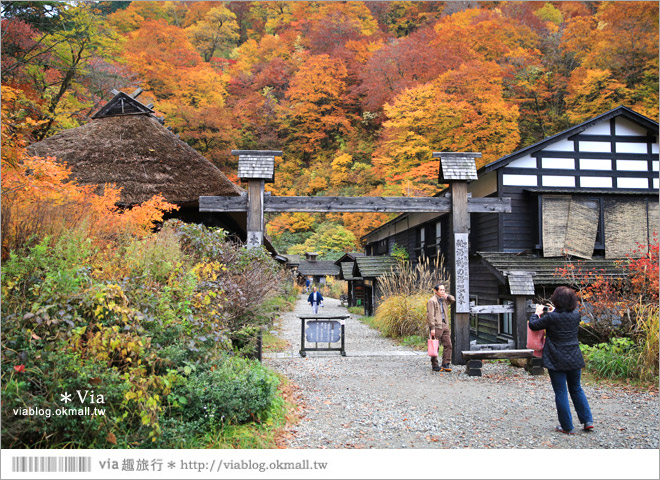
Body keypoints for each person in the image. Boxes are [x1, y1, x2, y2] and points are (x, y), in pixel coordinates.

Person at [529, 286, 594, 434]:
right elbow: (563, 318)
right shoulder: (576, 315)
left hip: (556, 358)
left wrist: (537, 313)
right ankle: (587, 421)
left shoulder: (552, 317)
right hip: (574, 357)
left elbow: (533, 325)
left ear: (556, 300)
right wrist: (554, 311)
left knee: (561, 392)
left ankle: (567, 426)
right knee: (576, 388)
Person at [426, 284, 455, 372]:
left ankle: (445, 363)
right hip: (437, 326)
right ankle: (435, 365)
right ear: (435, 291)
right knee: (435, 346)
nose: (443, 291)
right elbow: (430, 315)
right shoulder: (432, 301)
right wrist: (432, 328)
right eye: (441, 290)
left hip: (444, 324)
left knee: (448, 344)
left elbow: (453, 300)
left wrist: (447, 296)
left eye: (443, 290)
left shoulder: (444, 300)